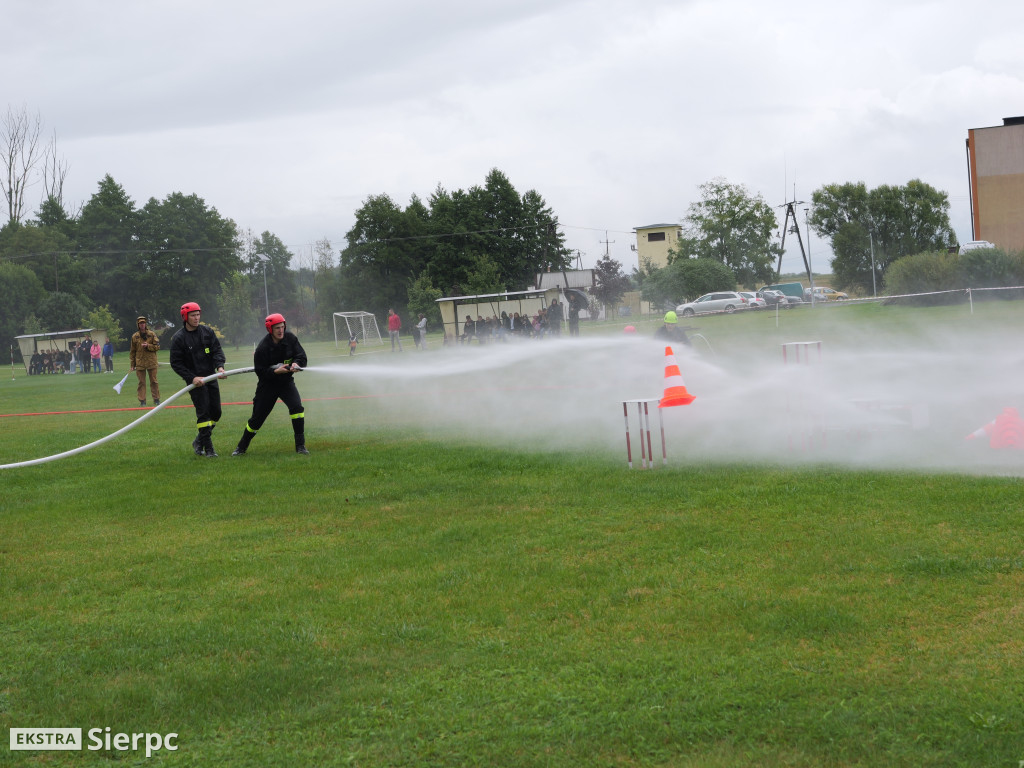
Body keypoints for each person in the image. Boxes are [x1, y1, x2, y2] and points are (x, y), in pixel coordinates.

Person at [232, 313, 309, 456]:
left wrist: (297, 363)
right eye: (277, 328)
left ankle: (300, 446)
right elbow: (260, 372)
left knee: (297, 408)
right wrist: (275, 372)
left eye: (282, 327)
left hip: (286, 383)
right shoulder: (262, 348)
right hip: (267, 386)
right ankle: (241, 447)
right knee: (257, 419)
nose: (281, 331)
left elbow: (302, 356)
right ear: (270, 329)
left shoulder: (291, 338)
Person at [170, 302, 226, 457]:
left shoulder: (207, 332)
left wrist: (220, 367)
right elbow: (176, 363)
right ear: (185, 317)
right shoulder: (178, 338)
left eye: (198, 314)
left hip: (210, 377)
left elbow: (217, 350)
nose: (196, 318)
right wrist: (192, 378)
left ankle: (199, 441)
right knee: (203, 414)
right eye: (193, 315)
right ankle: (208, 449)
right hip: (195, 382)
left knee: (216, 413)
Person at [129, 316, 161, 405]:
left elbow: (157, 347)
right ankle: (142, 401)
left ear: (145, 324)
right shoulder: (134, 336)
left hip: (151, 361)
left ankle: (156, 399)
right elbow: (132, 351)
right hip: (140, 362)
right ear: (138, 325)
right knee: (141, 382)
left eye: (143, 323)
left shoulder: (151, 334)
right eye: (140, 323)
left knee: (154, 381)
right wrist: (132, 364)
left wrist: (148, 346)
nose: (142, 325)